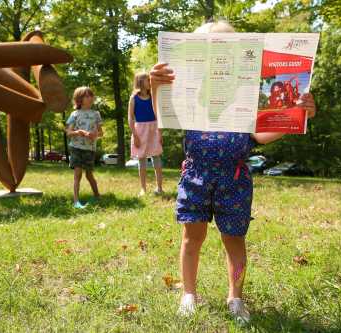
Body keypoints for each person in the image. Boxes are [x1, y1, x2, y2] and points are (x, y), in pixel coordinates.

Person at [149, 21, 317, 323]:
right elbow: (164, 115)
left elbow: (262, 136)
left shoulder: (246, 94)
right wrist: (155, 84)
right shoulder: (188, 89)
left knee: (234, 239)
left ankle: (235, 297)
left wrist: (297, 115)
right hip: (196, 175)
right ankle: (189, 293)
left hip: (235, 178)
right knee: (191, 238)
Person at [65, 86, 103, 209]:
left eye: (91, 95)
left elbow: (101, 133)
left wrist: (94, 135)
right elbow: (69, 132)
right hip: (76, 147)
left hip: (90, 148)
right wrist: (78, 132)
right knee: (78, 174)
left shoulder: (96, 114)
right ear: (79, 99)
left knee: (89, 175)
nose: (90, 98)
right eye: (87, 96)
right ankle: (76, 201)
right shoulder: (74, 114)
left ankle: (97, 195)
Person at [128, 72, 164, 196]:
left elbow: (159, 115)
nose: (150, 82)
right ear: (140, 82)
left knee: (156, 157)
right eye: (147, 80)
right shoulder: (134, 98)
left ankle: (159, 187)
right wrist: (135, 135)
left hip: (153, 129)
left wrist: (160, 133)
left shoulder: (153, 96)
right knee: (141, 160)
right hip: (140, 131)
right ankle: (143, 188)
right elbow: (130, 118)